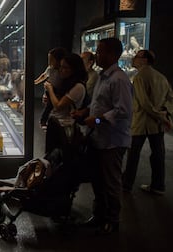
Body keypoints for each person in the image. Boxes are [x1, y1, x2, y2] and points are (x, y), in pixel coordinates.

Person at [73, 37, 133, 234]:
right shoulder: (102, 77)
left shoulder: (119, 79)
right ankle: (99, 216)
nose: (96, 55)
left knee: (111, 182)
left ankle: (113, 220)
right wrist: (85, 112)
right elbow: (99, 103)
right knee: (98, 180)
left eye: (100, 52)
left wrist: (96, 120)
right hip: (98, 139)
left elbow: (122, 111)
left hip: (112, 142)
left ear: (112, 55)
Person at [122, 50, 173, 195]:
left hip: (142, 123)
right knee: (158, 154)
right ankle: (158, 185)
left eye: (137, 56)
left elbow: (144, 103)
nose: (133, 58)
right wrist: (165, 116)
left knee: (133, 154)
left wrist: (159, 116)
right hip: (157, 125)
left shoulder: (139, 77)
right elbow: (170, 99)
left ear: (144, 59)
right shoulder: (161, 77)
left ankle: (126, 184)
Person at [44, 53, 87, 153]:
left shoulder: (78, 87)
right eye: (61, 67)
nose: (61, 70)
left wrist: (50, 90)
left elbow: (58, 105)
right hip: (57, 125)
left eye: (65, 67)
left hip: (64, 128)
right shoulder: (67, 83)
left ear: (74, 69)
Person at [34, 47, 68, 130]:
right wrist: (36, 81)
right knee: (49, 106)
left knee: (52, 107)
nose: (49, 62)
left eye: (51, 60)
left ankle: (47, 121)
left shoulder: (62, 70)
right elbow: (44, 75)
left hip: (58, 90)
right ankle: (43, 121)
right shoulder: (50, 68)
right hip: (50, 89)